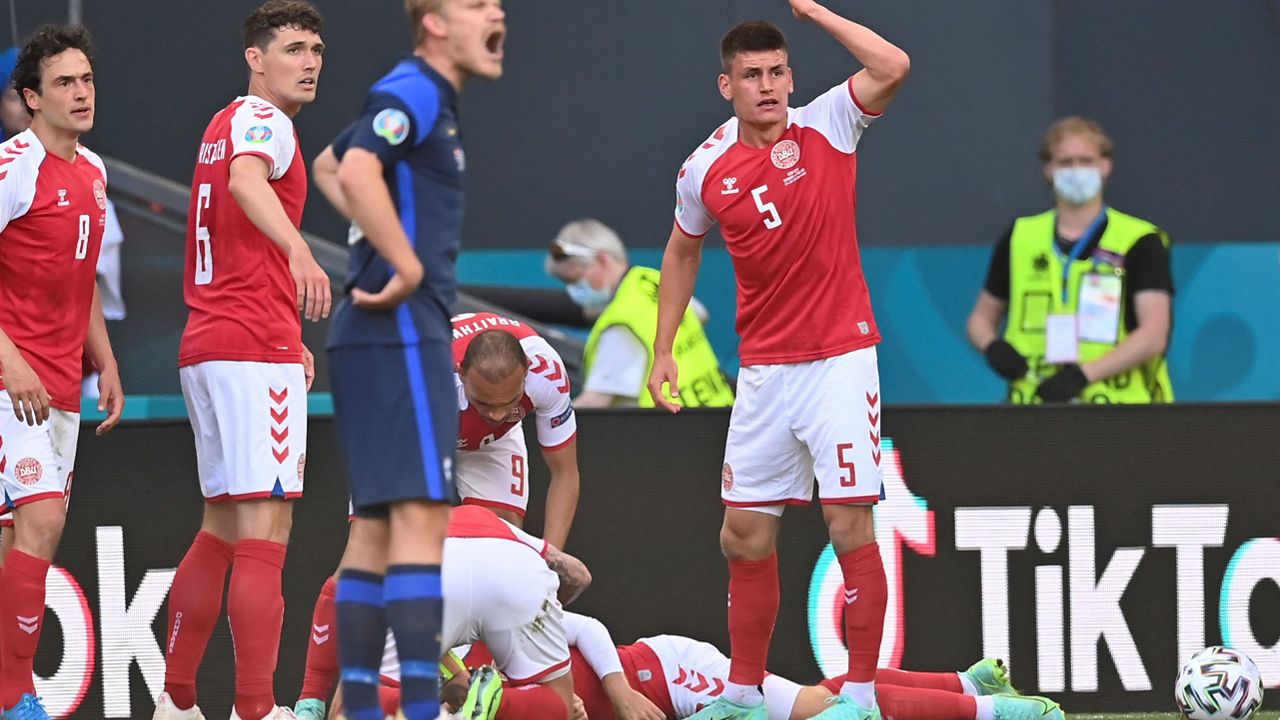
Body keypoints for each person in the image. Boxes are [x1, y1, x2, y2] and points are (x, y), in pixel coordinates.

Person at [645, 2, 909, 719]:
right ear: (725, 86)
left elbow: (892, 66)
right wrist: (664, 347)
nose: (767, 85)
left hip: (840, 359)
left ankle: (858, 698)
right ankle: (741, 696)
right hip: (764, 370)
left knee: (849, 523)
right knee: (743, 534)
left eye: (776, 71)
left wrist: (816, 11)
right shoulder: (703, 170)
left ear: (792, 76)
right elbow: (681, 250)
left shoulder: (829, 122)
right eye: (750, 75)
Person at [325, 0, 505, 718]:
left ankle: (366, 709)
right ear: (434, 23)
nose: (496, 13)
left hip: (370, 332)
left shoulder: (425, 96)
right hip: (401, 328)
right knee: (423, 518)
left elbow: (330, 162)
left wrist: (379, 256)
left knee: (374, 525)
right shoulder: (418, 89)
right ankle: (425, 709)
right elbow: (360, 166)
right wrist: (399, 265)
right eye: (477, 4)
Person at [153, 3, 330, 720]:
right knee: (266, 533)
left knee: (222, 526)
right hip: (249, 347)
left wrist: (289, 331)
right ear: (256, 59)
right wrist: (301, 250)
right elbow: (248, 184)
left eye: (316, 47)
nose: (310, 60)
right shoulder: (266, 123)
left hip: (212, 343)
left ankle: (178, 698)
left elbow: (235, 220)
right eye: (292, 48)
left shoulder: (220, 124)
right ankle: (257, 709)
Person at [290, 315, 581, 720]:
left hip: (489, 447)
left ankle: (478, 696)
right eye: (486, 403)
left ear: (527, 377)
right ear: (460, 374)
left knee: (501, 554)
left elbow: (565, 474)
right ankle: (310, 699)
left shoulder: (547, 373)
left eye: (508, 404)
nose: (498, 414)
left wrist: (542, 574)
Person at [0, 24, 124, 720]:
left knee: (18, 546)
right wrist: (10, 361)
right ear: (31, 98)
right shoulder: (15, 166)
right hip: (8, 388)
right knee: (41, 523)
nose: (80, 94)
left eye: (86, 80)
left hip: (59, 392)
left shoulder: (95, 171)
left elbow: (79, 286)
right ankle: (17, 697)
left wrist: (102, 360)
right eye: (63, 84)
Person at [965, 117, 1174, 404]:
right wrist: (993, 347)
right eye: (1065, 162)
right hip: (1034, 402)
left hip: (1119, 407)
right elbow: (980, 318)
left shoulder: (1139, 240)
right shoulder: (1021, 236)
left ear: (1105, 166)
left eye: (1086, 161)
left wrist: (1083, 375)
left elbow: (1154, 334)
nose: (1076, 171)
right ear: (1049, 169)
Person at [329, 505, 593, 720]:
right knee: (560, 701)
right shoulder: (516, 536)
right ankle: (497, 701)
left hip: (429, 569)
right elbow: (579, 575)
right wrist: (546, 618)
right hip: (514, 570)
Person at [546, 219, 733, 409]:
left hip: (673, 428)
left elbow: (595, 400)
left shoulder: (621, 322)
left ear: (602, 260)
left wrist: (551, 422)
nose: (573, 290)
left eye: (575, 279)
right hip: (717, 409)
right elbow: (700, 313)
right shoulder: (650, 278)